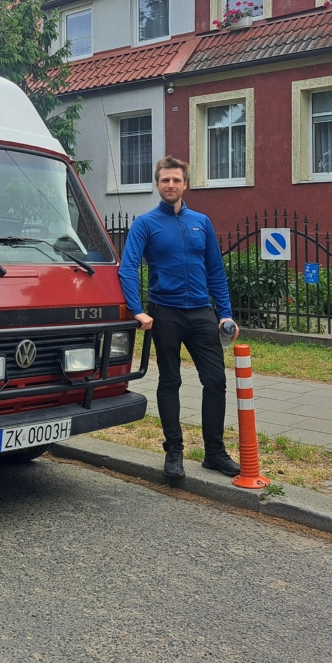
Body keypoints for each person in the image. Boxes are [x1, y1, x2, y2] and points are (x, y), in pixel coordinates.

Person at [117, 156, 241, 480]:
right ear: (157, 184)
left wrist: (225, 314)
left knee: (216, 381)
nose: (170, 185)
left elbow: (215, 270)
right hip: (165, 312)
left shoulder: (202, 221)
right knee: (170, 381)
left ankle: (214, 453)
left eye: (176, 180)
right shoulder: (145, 223)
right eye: (164, 180)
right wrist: (137, 310)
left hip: (201, 313)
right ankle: (174, 452)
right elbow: (128, 267)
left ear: (186, 184)